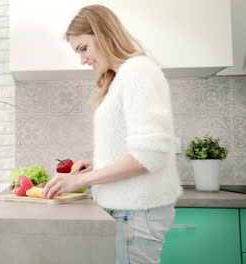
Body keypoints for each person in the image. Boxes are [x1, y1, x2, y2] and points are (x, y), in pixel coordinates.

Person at [41, 5, 182, 264]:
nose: (82, 60)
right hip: (131, 213)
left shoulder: (138, 71)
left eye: (83, 48)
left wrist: (80, 181)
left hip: (136, 213)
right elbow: (136, 151)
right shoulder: (123, 77)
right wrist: (97, 166)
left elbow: (149, 156)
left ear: (103, 33)